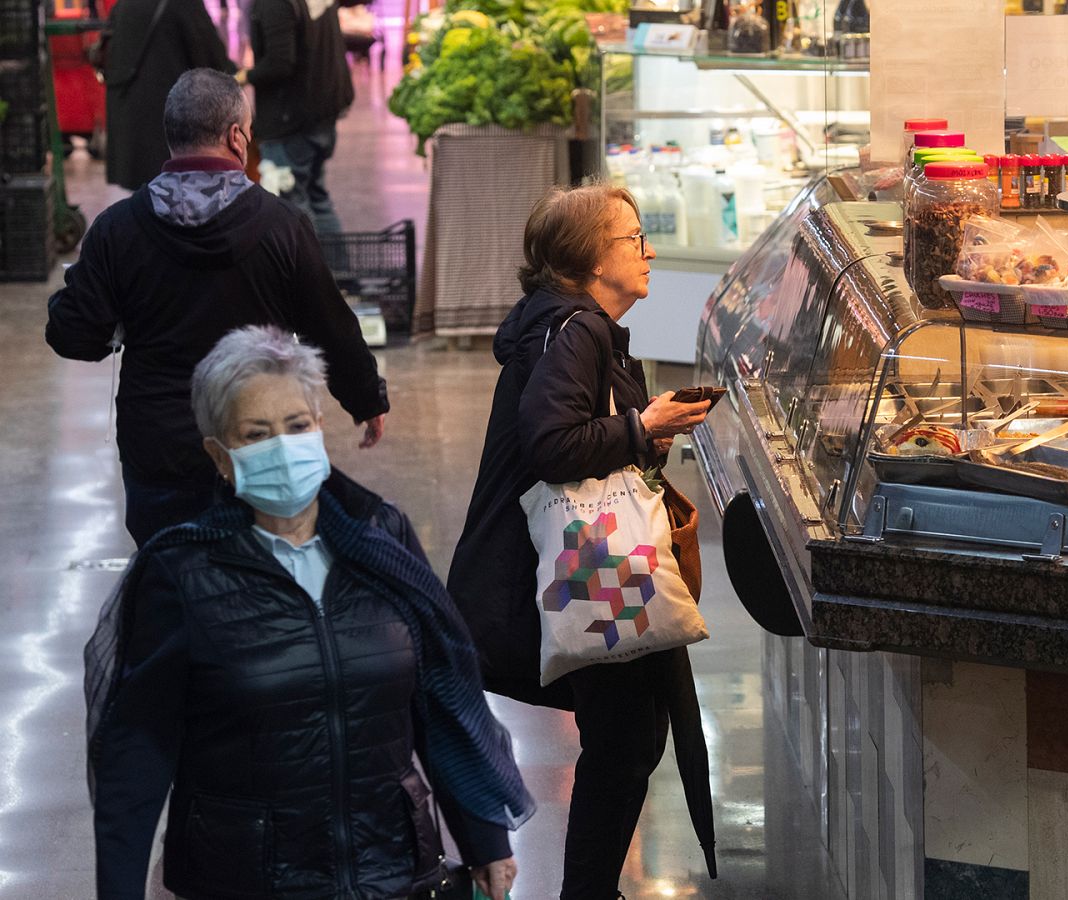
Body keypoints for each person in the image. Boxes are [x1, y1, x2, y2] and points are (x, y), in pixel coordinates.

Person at [84, 326, 528, 900]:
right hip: (244, 880)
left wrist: (485, 837)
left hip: (390, 870)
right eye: (256, 433)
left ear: (320, 429)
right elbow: (137, 752)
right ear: (220, 457)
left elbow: (439, 698)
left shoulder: (382, 541)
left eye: (296, 426)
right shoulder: (181, 573)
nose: (283, 446)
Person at [448, 185, 713, 899]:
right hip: (582, 573)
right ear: (593, 261)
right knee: (627, 740)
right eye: (632, 239)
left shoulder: (567, 326)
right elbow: (551, 442)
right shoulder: (579, 331)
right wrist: (642, 427)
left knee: (630, 736)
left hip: (570, 573)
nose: (647, 249)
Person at [45, 69, 387, 549]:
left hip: (158, 447)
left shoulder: (116, 229)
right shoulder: (282, 226)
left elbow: (73, 335)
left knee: (169, 588)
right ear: (235, 136)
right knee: (258, 590)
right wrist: (366, 399)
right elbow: (329, 328)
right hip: (256, 443)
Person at [236, 0, 356, 235]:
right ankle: (339, 272)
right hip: (320, 112)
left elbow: (279, 63)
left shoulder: (275, 5)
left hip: (290, 120)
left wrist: (242, 77)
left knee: (292, 209)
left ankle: (310, 271)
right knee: (317, 200)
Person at [101, 0, 235, 191]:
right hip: (169, 121)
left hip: (130, 117)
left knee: (146, 198)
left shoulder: (123, 4)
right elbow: (211, 57)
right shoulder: (183, 4)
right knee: (176, 199)